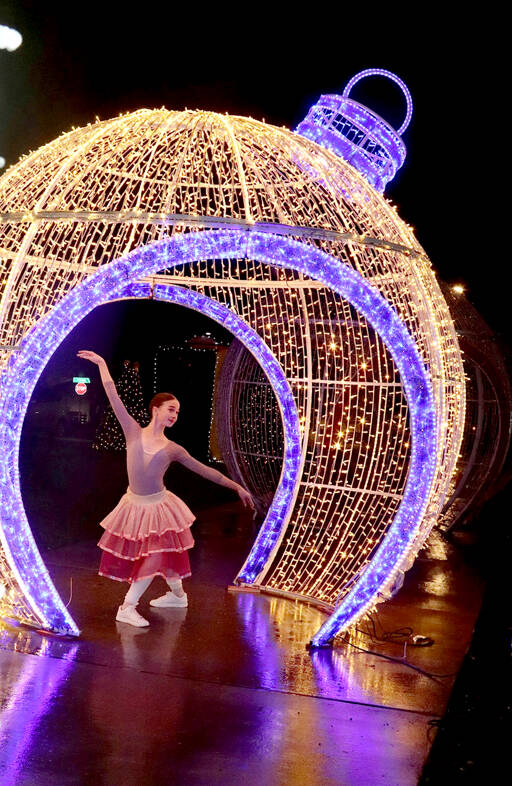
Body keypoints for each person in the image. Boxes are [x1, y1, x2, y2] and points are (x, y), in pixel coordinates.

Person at [77, 350, 256, 628]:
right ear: (156, 409)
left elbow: (205, 470)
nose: (175, 415)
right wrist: (102, 364)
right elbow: (113, 396)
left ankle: (128, 606)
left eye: (178, 412)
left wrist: (237, 488)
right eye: (171, 409)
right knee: (165, 554)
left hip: (159, 506)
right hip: (134, 505)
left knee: (159, 554)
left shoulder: (173, 448)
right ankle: (178, 596)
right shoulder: (133, 431)